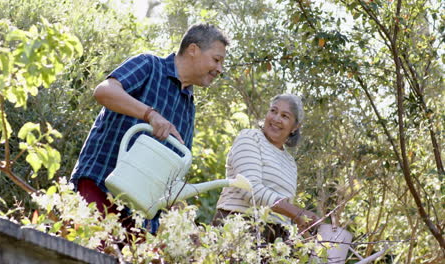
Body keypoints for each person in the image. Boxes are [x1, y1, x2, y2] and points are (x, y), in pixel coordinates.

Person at [70, 23, 229, 239]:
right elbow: (104, 91)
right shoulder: (150, 65)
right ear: (193, 50)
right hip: (100, 187)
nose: (220, 69)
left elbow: (172, 175)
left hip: (140, 214)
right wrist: (150, 115)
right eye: (216, 59)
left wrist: (186, 225)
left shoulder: (188, 105)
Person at [212, 94, 320, 243]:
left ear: (295, 127)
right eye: (273, 111)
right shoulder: (250, 138)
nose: (276, 119)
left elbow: (282, 210)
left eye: (285, 116)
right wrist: (297, 213)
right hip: (240, 227)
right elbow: (250, 189)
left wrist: (305, 228)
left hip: (276, 239)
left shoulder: (289, 162)